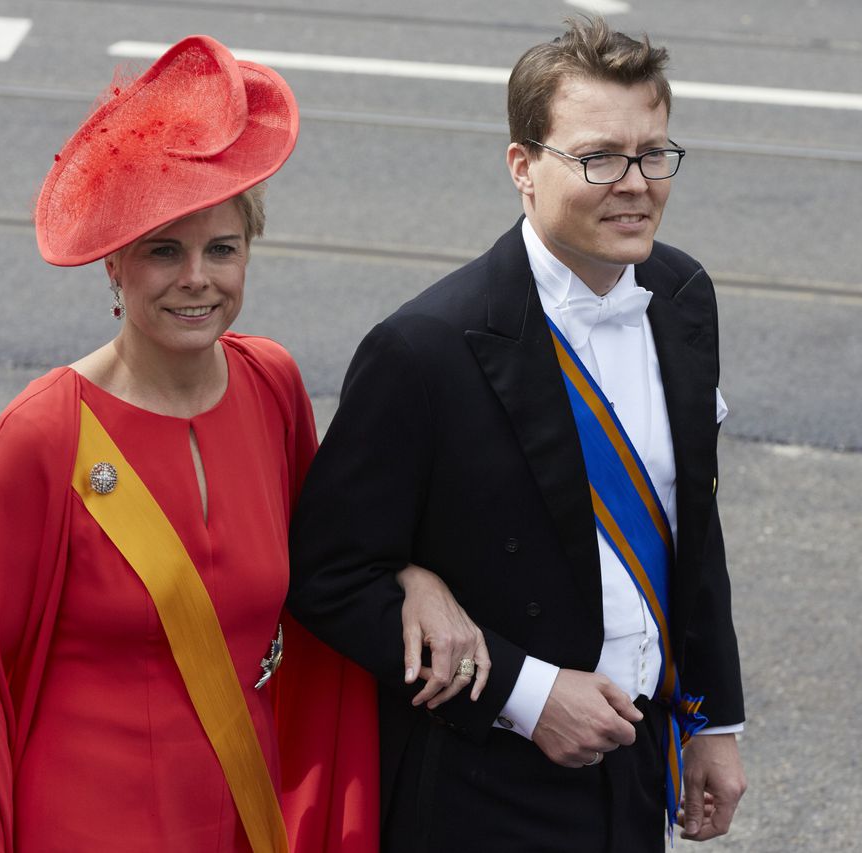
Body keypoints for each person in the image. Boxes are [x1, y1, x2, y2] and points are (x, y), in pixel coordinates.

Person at [0, 35, 487, 853]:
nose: (197, 277)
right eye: (165, 249)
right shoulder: (45, 432)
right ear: (115, 266)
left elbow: (330, 559)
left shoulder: (271, 387)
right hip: (81, 827)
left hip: (242, 818)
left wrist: (414, 576)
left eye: (221, 249)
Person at [287, 16, 746, 852]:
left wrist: (712, 719)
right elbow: (327, 574)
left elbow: (693, 525)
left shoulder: (682, 295)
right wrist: (525, 695)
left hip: (635, 765)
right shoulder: (424, 347)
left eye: (653, 152)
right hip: (481, 785)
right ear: (523, 168)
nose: (635, 183)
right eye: (599, 156)